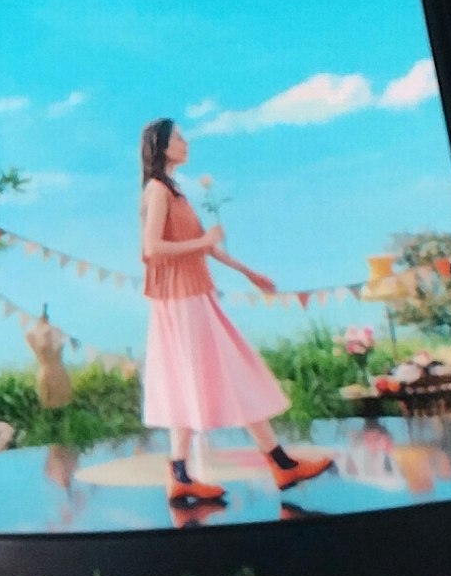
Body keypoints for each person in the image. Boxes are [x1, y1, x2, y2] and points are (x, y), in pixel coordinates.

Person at [138, 118, 331, 511]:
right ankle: (280, 462)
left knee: (196, 379)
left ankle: (181, 475)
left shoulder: (175, 191)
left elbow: (206, 249)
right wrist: (204, 240)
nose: (186, 142)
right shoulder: (158, 190)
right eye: (178, 137)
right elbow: (152, 249)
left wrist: (248, 272)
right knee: (227, 372)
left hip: (192, 297)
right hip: (181, 301)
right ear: (160, 147)